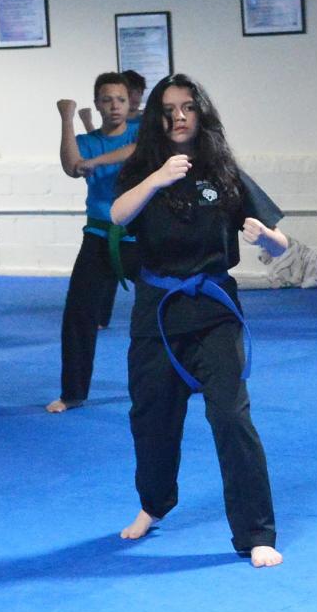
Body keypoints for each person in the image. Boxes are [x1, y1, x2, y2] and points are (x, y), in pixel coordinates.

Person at [110, 74, 286, 568]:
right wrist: (158, 178)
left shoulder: (223, 171)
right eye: (169, 109)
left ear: (201, 113)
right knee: (151, 418)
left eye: (188, 107)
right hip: (157, 314)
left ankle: (256, 533)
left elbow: (281, 243)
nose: (179, 116)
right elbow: (119, 215)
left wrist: (267, 241)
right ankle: (153, 504)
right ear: (156, 119)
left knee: (231, 417)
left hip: (213, 311)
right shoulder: (142, 169)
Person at [47, 73, 139, 413]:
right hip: (99, 236)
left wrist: (96, 162)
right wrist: (67, 118)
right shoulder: (87, 142)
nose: (114, 106)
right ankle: (73, 392)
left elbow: (134, 152)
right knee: (78, 315)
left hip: (140, 237)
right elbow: (72, 165)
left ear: (130, 104)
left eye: (120, 100)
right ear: (97, 104)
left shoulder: (140, 132)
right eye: (106, 100)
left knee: (170, 308)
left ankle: (193, 375)